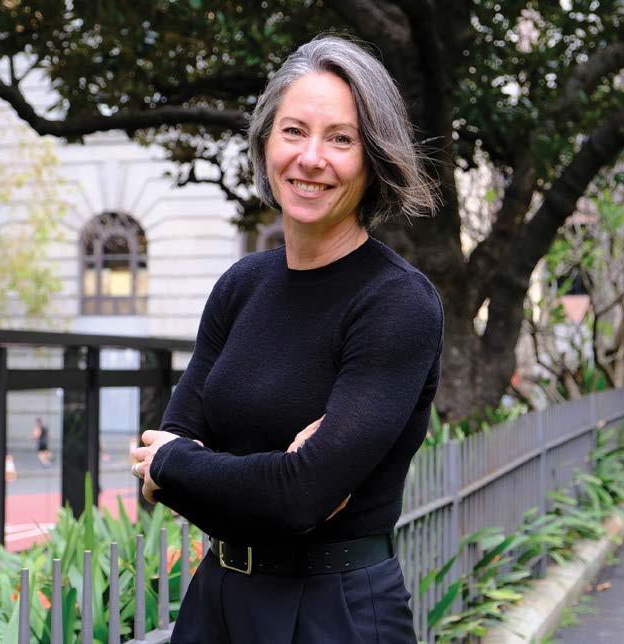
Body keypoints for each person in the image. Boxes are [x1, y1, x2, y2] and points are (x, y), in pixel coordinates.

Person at [131, 35, 443, 643]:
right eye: (294, 131)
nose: (311, 158)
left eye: (341, 139)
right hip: (216, 602)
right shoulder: (242, 285)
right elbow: (157, 467)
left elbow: (298, 497)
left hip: (335, 609)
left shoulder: (397, 302)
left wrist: (184, 465)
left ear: (374, 159)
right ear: (266, 142)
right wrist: (270, 477)